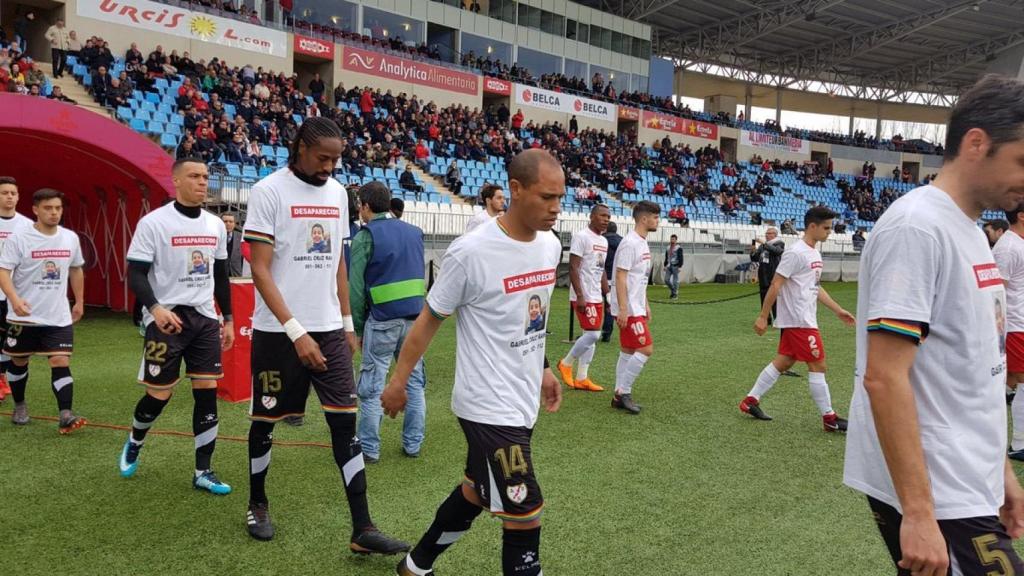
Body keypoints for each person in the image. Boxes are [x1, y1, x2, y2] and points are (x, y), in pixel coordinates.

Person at [844, 75, 1024, 576]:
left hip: (968, 478)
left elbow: (974, 369)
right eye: (1023, 161)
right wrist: (919, 513)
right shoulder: (916, 228)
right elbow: (884, 376)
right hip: (939, 491)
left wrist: (1002, 475)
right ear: (976, 143)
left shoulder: (967, 228)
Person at [382, 149, 563, 576]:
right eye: (546, 197)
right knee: (525, 512)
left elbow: (530, 313)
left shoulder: (551, 246)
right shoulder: (471, 251)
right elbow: (429, 319)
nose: (556, 208)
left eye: (561, 198)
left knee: (476, 492)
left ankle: (415, 566)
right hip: (487, 405)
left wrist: (543, 366)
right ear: (515, 191)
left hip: (521, 400)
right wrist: (399, 379)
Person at [241, 117, 408, 553]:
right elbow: (258, 269)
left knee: (344, 425)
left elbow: (336, 260)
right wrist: (296, 331)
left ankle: (362, 528)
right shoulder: (268, 191)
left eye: (336, 159)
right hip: (278, 333)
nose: (330, 167)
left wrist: (348, 324)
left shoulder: (338, 194)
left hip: (330, 330)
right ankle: (257, 502)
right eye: (323, 158)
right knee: (265, 421)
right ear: (299, 148)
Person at [117, 158, 235, 495]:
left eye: (205, 176)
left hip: (204, 320)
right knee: (159, 394)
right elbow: (136, 273)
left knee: (207, 390)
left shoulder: (215, 225)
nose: (202, 182)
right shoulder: (154, 223)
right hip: (166, 320)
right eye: (194, 176)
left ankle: (203, 470)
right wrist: (155, 309)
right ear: (176, 181)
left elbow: (220, 276)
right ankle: (136, 438)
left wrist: (227, 318)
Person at [739, 206, 855, 430]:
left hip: (803, 318)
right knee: (818, 364)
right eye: (826, 228)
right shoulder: (795, 252)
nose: (829, 232)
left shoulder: (814, 252)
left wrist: (838, 309)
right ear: (812, 226)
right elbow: (776, 284)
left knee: (785, 361)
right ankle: (829, 419)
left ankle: (750, 400)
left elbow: (815, 287)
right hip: (799, 320)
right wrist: (763, 317)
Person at [349, 182, 426, 463]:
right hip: (414, 321)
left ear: (366, 206)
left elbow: (355, 290)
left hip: (381, 320)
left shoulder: (365, 236)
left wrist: (357, 330)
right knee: (415, 382)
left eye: (360, 204)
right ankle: (413, 445)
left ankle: (369, 449)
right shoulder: (414, 232)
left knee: (371, 386)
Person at [0, 188, 85, 433]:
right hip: (24, 316)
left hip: (58, 316)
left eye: (58, 208)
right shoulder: (20, 238)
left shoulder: (70, 237)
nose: (54, 212)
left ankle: (66, 414)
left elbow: (76, 269)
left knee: (60, 360)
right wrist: (14, 299)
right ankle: (19, 405)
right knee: (19, 361)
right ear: (36, 210)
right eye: (48, 208)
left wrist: (79, 301)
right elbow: (3, 270)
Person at [610, 201, 660, 414]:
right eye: (655, 217)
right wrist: (623, 308)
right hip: (628, 308)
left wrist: (645, 303)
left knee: (628, 350)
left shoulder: (641, 242)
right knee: (646, 348)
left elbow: (639, 277)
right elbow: (620, 275)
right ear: (644, 219)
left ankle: (617, 394)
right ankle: (623, 392)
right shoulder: (630, 243)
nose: (658, 221)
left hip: (635, 305)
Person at [558, 203, 610, 392]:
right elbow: (573, 267)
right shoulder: (581, 237)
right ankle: (566, 363)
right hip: (583, 294)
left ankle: (582, 378)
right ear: (592, 216)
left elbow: (601, 268)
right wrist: (579, 295)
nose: (606, 219)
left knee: (591, 337)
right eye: (602, 216)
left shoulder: (603, 241)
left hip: (596, 295)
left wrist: (608, 295)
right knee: (593, 334)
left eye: (608, 217)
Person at [994, 203, 1024, 461]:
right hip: (1014, 325)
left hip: (1021, 324)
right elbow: (997, 293)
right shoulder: (1008, 246)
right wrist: (997, 332)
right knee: (1017, 381)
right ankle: (1018, 444)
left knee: (1013, 383)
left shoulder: (1018, 244)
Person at [0, 177, 32, 403]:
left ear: (19, 196)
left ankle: (3, 378)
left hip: (15, 294)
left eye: (13, 192)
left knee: (9, 339)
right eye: (4, 193)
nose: (9, 196)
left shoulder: (27, 225)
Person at [750, 227, 785, 324]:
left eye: (769, 233)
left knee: (774, 298)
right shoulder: (762, 246)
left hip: (773, 274)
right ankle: (766, 318)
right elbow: (755, 258)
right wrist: (753, 251)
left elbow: (777, 251)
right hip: (763, 274)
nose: (767, 235)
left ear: (775, 234)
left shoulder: (779, 243)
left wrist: (763, 243)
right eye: (766, 233)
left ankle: (777, 318)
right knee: (763, 297)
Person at [601, 221, 622, 343]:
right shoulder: (623, 242)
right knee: (610, 307)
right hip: (615, 279)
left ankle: (592, 330)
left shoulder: (601, 240)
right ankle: (607, 333)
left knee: (595, 304)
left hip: (601, 278)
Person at [222, 212, 244, 277]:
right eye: (225, 221)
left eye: (231, 221)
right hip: (220, 275)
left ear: (234, 224)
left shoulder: (241, 237)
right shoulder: (216, 237)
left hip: (236, 275)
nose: (228, 224)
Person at [663, 234, 683, 299]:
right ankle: (673, 291)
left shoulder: (678, 248)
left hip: (675, 265)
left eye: (673, 239)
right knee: (666, 280)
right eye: (671, 239)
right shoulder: (668, 247)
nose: (672, 240)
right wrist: (665, 265)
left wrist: (680, 266)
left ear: (676, 240)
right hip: (669, 265)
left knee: (675, 281)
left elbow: (681, 257)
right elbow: (666, 257)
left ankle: (675, 294)